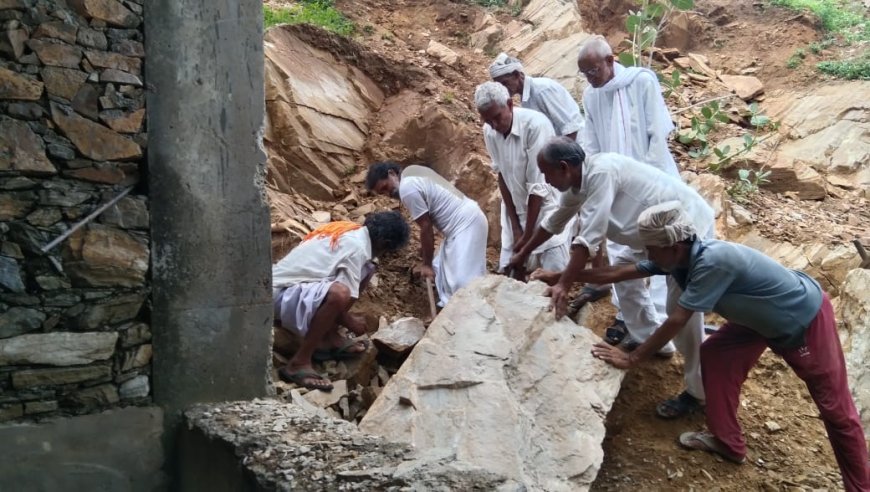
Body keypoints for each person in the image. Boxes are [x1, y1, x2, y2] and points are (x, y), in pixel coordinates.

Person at [589, 201, 870, 492]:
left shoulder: (712, 262)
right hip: (758, 318)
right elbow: (619, 272)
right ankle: (728, 443)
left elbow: (676, 321)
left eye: (652, 248)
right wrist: (562, 277)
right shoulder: (678, 260)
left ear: (674, 245)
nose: (648, 254)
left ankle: (861, 487)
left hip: (801, 320)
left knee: (837, 412)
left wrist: (632, 358)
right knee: (716, 354)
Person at [512, 137, 715, 418]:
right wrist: (522, 252)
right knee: (624, 276)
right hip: (650, 240)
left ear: (563, 167)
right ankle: (653, 340)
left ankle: (699, 391)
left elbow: (589, 239)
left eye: (547, 174)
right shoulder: (576, 186)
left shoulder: (602, 172)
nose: (546, 180)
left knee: (682, 312)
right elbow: (553, 223)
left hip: (682, 234)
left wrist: (563, 283)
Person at [576, 34, 683, 344]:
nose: (590, 78)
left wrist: (647, 179)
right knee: (624, 255)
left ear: (611, 61)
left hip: (655, 183)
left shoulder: (641, 82)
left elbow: (657, 133)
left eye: (593, 70)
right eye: (585, 73)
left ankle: (665, 323)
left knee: (665, 250)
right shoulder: (590, 96)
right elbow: (592, 142)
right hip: (618, 187)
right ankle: (634, 322)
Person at [272, 211, 410, 391]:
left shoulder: (351, 232)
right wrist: (352, 323)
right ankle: (299, 362)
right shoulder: (357, 248)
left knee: (368, 268)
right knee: (340, 294)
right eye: (388, 250)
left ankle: (327, 338)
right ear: (386, 244)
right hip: (278, 294)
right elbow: (341, 297)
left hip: (288, 289)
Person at [474, 81, 571, 280]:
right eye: (487, 121)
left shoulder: (536, 125)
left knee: (552, 279)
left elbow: (538, 187)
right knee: (510, 275)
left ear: (510, 105)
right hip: (515, 213)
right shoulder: (490, 131)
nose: (493, 125)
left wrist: (527, 238)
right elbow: (501, 175)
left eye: (497, 118)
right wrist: (516, 227)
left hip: (546, 209)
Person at [365, 162, 488, 306]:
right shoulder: (413, 174)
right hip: (463, 223)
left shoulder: (407, 188)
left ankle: (473, 312)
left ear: (392, 173)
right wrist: (425, 252)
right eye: (383, 193)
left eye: (385, 187)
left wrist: (427, 265)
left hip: (467, 225)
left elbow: (426, 226)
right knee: (442, 269)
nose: (388, 194)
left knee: (463, 283)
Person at [489, 52, 585, 141]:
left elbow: (570, 128)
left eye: (504, 83)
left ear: (516, 75)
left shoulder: (542, 90)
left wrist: (563, 155)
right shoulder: (525, 97)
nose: (502, 88)